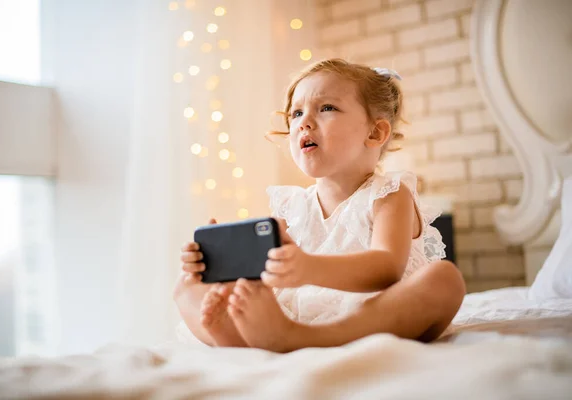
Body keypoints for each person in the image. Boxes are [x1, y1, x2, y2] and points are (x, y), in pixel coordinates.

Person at [173, 58, 466, 353]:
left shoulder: (388, 194)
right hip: (297, 313)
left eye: (326, 108)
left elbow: (387, 267)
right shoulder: (291, 206)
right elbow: (272, 270)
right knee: (185, 289)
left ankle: (302, 339)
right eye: (296, 113)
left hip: (366, 316)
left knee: (445, 280)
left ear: (375, 133)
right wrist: (219, 266)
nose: (304, 122)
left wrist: (308, 268)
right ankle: (239, 335)